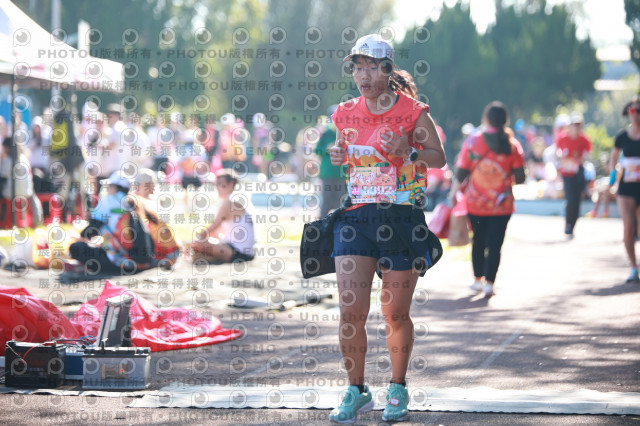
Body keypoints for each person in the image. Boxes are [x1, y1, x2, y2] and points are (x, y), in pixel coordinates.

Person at [327, 34, 445, 423]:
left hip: (401, 219)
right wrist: (339, 155)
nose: (363, 75)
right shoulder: (344, 113)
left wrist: (408, 152)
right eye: (357, 68)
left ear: (388, 69)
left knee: (394, 313)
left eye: (371, 67)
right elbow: (346, 155)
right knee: (350, 311)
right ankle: (356, 390)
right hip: (356, 218)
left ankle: (397, 387)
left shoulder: (413, 111)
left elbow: (438, 158)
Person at [449, 101, 526, 298]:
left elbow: (461, 173)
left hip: (476, 203)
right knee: (495, 245)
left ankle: (477, 280)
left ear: (486, 119)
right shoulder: (512, 144)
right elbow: (520, 177)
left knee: (478, 241)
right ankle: (490, 284)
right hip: (502, 204)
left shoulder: (473, 141)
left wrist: (452, 195)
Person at [69, 171, 154, 275]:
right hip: (141, 264)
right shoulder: (133, 202)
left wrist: (80, 236)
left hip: (118, 263)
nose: (107, 189)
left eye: (109, 186)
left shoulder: (108, 200)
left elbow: (92, 229)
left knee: (76, 248)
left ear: (114, 187)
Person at [189, 169, 255, 264]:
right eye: (216, 184)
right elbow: (218, 231)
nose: (217, 188)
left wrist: (195, 240)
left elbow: (213, 227)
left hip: (237, 253)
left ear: (231, 184)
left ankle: (206, 257)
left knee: (197, 243)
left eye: (221, 184)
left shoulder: (230, 201)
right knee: (213, 237)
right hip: (245, 252)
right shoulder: (239, 198)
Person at [610, 97, 640, 282]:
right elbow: (613, 158)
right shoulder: (622, 136)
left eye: (639, 111)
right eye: (632, 111)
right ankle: (633, 267)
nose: (636, 114)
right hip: (626, 187)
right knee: (628, 227)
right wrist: (614, 175)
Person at [555, 112, 592, 237]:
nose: (576, 127)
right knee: (570, 199)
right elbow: (558, 151)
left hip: (578, 172)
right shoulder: (563, 138)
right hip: (567, 173)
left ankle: (573, 224)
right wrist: (562, 157)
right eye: (574, 125)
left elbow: (586, 154)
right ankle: (568, 224)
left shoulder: (584, 140)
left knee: (577, 199)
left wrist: (578, 160)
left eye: (578, 125)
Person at [315, 105, 347, 217]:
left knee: (341, 200)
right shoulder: (326, 133)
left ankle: (340, 222)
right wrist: (326, 148)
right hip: (327, 173)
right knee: (326, 200)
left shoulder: (346, 133)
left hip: (342, 173)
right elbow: (317, 150)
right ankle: (323, 222)